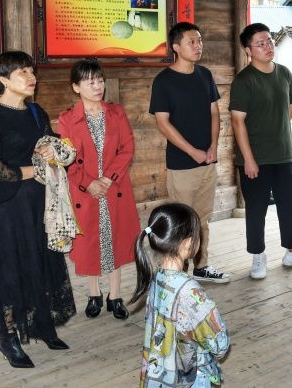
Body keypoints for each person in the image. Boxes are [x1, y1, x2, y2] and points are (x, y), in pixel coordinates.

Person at [0, 51, 76, 369]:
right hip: (8, 207)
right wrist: (36, 167)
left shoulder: (35, 111)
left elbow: (52, 144)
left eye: (32, 71)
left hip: (39, 202)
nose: (32, 77)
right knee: (10, 270)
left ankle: (42, 325)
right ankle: (8, 337)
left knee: (42, 262)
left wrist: (53, 150)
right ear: (3, 79)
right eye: (23, 72)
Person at [229, 23, 292, 280]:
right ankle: (258, 256)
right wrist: (248, 159)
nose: (268, 46)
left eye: (269, 41)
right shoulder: (244, 81)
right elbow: (237, 121)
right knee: (256, 209)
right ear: (249, 50)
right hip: (254, 159)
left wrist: (274, 127)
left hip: (283, 155)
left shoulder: (284, 73)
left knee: (290, 205)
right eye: (260, 43)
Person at [57, 59, 140, 320]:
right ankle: (94, 293)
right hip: (85, 192)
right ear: (76, 87)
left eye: (100, 80)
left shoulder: (117, 112)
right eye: (90, 82)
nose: (97, 86)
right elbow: (66, 158)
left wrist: (108, 179)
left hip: (115, 188)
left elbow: (127, 148)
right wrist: (89, 183)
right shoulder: (67, 119)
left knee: (114, 239)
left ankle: (115, 295)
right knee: (89, 242)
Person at [149, 22, 229, 284]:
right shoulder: (163, 81)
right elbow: (163, 123)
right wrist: (193, 151)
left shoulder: (205, 74)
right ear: (176, 47)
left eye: (200, 40)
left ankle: (201, 266)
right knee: (182, 221)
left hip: (208, 161)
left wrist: (213, 147)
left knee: (203, 220)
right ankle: (176, 272)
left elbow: (214, 112)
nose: (198, 46)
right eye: (191, 41)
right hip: (182, 165)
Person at [129, 202, 230, 387]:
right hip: (188, 378)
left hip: (158, 374)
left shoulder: (156, 278)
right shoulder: (189, 291)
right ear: (188, 243)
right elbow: (219, 344)